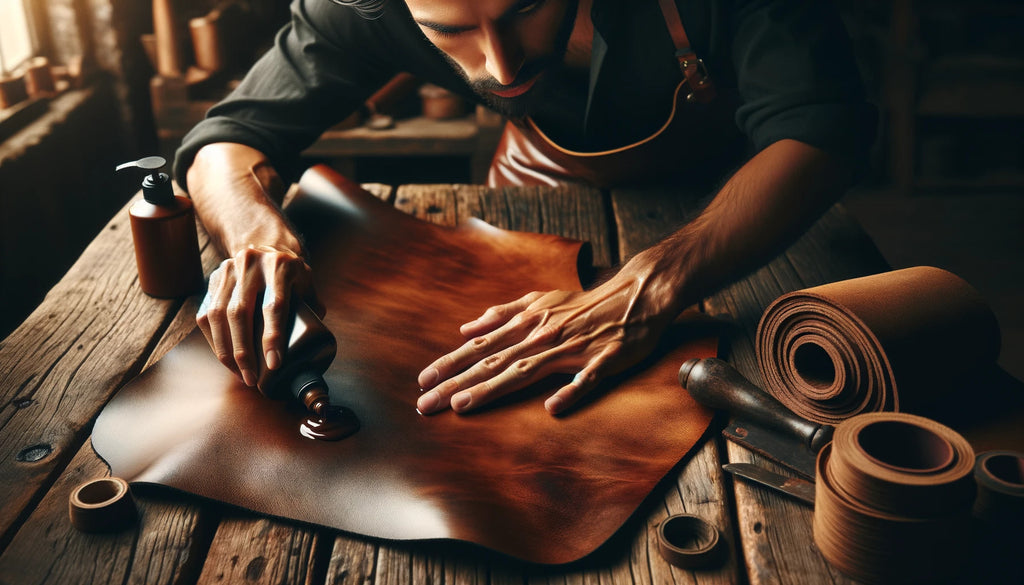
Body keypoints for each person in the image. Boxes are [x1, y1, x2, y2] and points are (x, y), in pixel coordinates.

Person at [178, 0, 876, 417]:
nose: (502, 69)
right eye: (449, 30)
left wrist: (657, 279)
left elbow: (823, 132)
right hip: (539, 189)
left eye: (525, 9)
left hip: (750, 209)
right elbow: (225, 139)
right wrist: (253, 234)